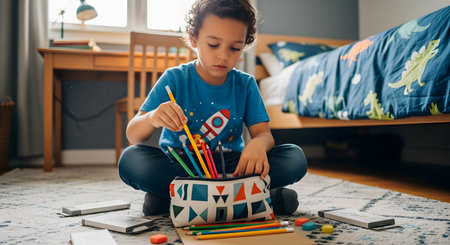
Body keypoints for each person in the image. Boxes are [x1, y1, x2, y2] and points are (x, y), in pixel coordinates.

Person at [118, 0, 307, 216]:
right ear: (193, 38)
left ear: (244, 45)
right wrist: (152, 117)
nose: (223, 56)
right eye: (213, 45)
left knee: (294, 158)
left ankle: (179, 197)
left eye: (235, 48)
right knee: (131, 160)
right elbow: (133, 135)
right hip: (183, 165)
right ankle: (258, 199)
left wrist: (258, 145)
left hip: (233, 167)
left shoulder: (245, 84)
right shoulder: (174, 78)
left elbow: (264, 134)